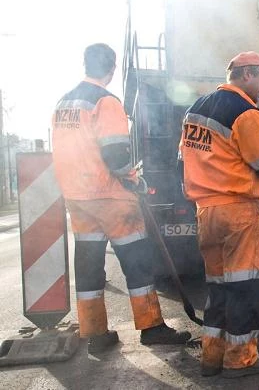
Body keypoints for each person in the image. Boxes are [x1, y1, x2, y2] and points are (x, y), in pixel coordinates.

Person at [51, 43, 191, 353]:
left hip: (77, 197)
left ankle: (95, 334)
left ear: (85, 65)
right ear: (112, 69)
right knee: (138, 263)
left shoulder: (63, 103)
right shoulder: (106, 102)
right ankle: (152, 327)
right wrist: (136, 180)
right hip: (111, 198)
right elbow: (115, 155)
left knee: (89, 267)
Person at [179, 51, 259, 378]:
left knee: (217, 289)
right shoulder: (247, 113)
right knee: (244, 288)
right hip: (239, 214)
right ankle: (240, 359)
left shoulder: (194, 110)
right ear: (246, 74)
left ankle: (211, 358)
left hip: (206, 212)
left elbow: (181, 160)